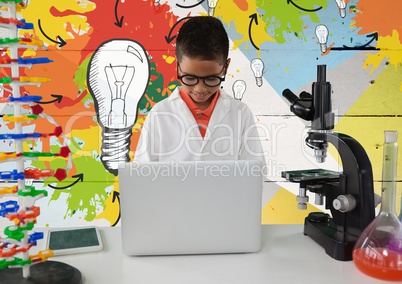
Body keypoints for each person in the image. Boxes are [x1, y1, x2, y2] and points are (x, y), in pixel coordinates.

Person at [134, 16, 265, 165]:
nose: (200, 88)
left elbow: (255, 172)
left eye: (210, 79)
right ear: (178, 67)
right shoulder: (159, 114)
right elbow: (142, 174)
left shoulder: (240, 113)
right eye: (190, 78)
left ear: (225, 67)